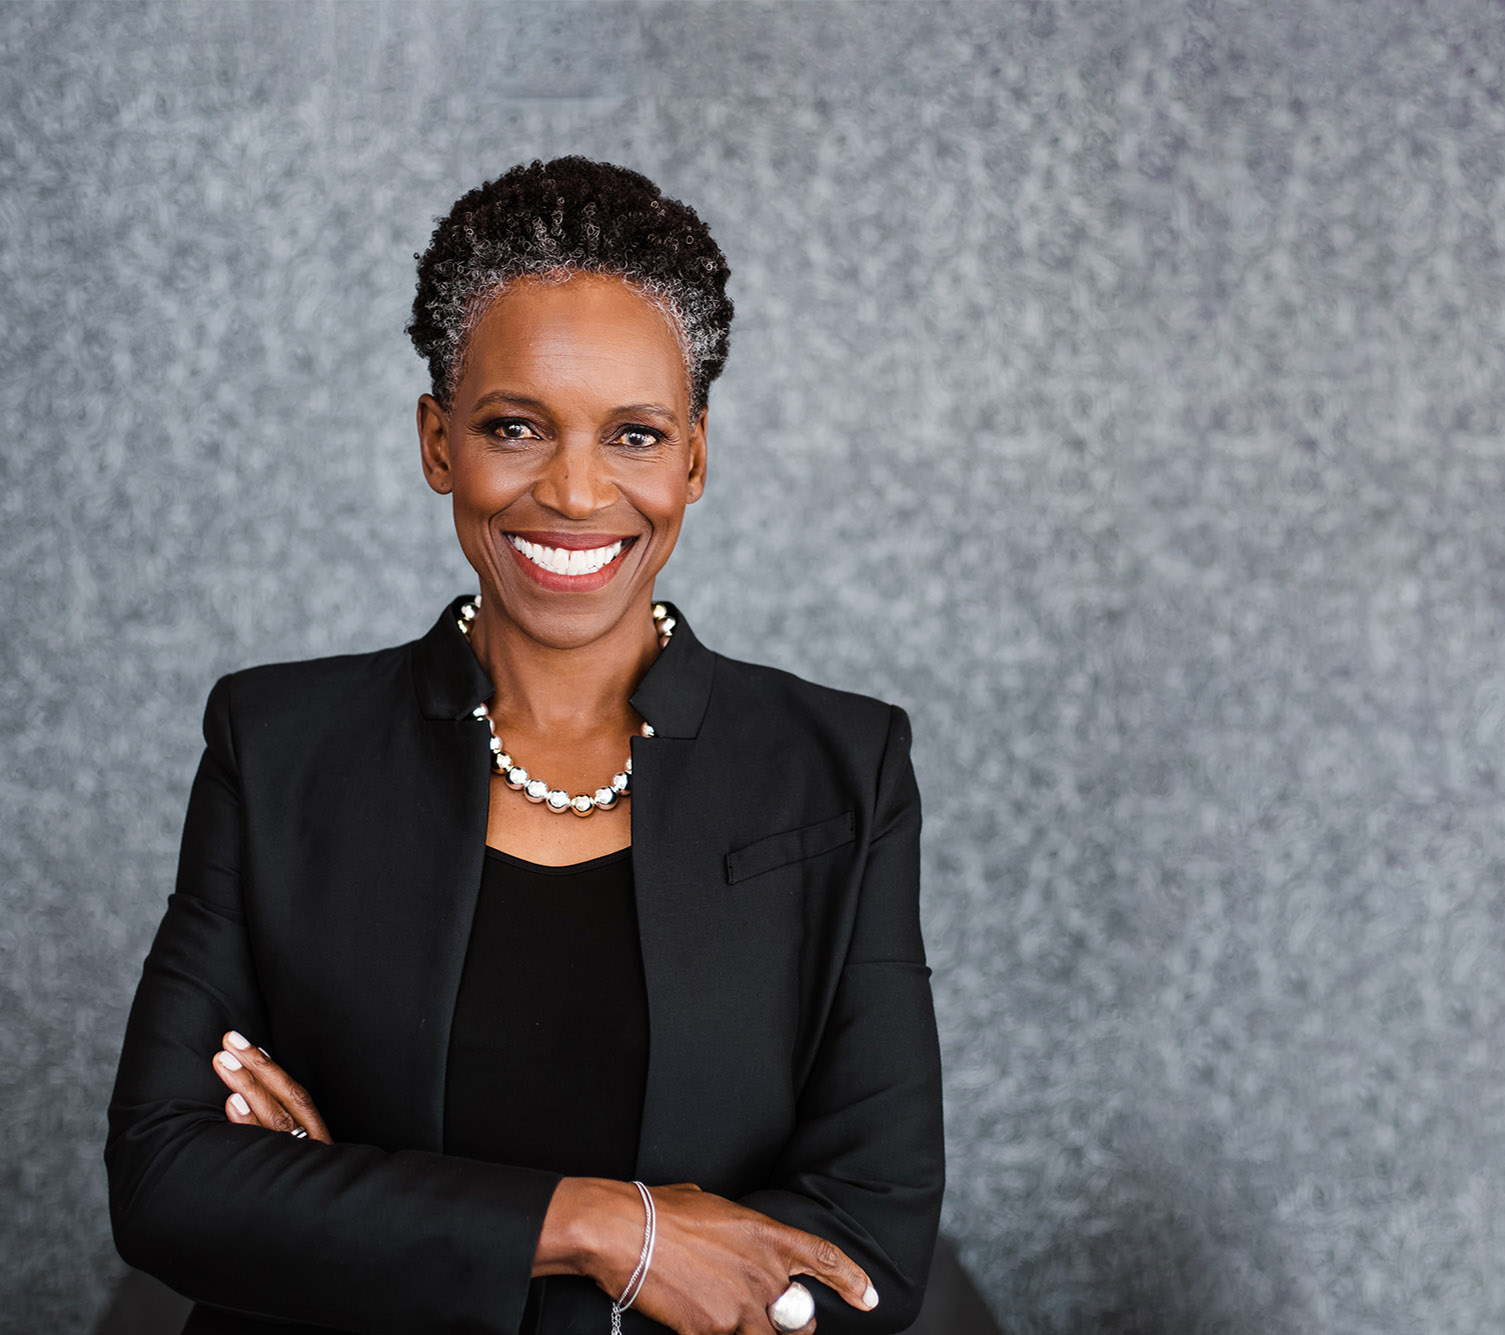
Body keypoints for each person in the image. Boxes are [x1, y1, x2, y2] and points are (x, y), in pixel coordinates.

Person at [103, 156, 945, 1335]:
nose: (576, 489)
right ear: (438, 443)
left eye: (635, 436)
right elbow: (165, 1186)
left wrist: (357, 1217)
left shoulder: (839, 768)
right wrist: (612, 1233)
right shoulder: (279, 746)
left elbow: (869, 1244)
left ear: (694, 460)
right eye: (515, 426)